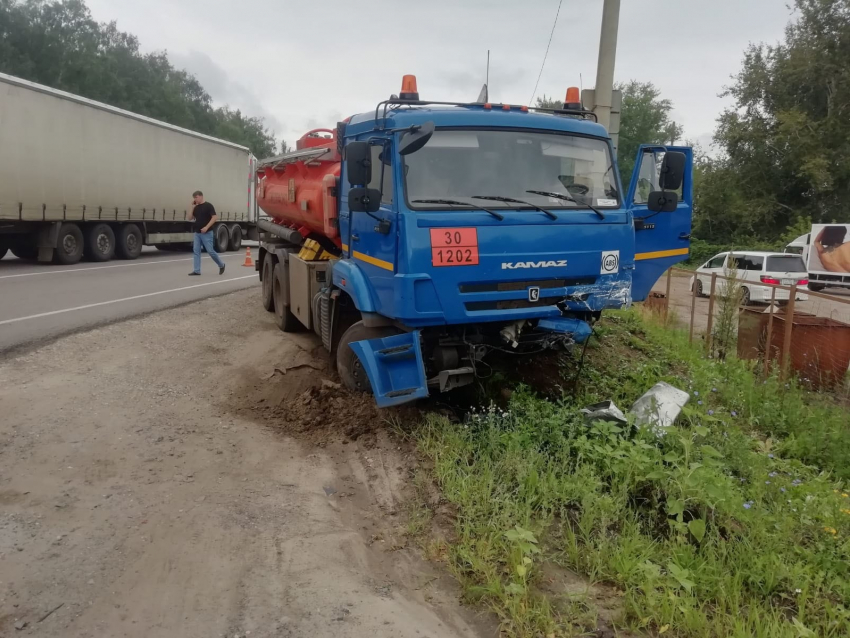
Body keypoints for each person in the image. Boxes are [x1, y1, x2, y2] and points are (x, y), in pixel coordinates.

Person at [188, 190, 225, 276]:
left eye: (196, 197)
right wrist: (192, 206)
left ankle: (221, 265)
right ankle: (197, 270)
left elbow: (214, 217)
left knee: (210, 251)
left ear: (201, 196)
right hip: (197, 233)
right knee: (196, 251)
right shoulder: (196, 208)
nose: (195, 199)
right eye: (194, 198)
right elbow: (190, 218)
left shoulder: (208, 206)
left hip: (207, 233)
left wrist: (206, 227)